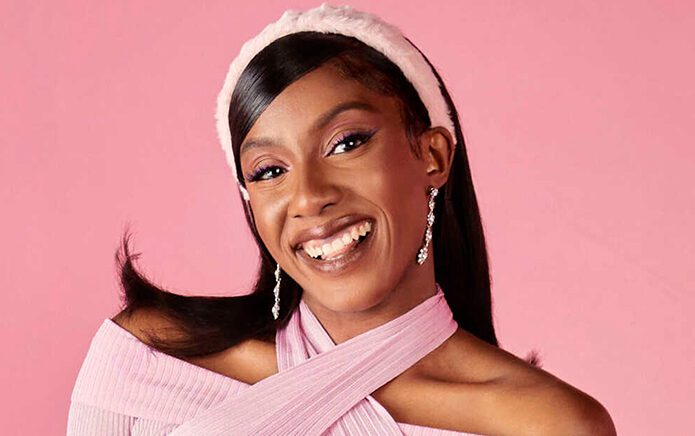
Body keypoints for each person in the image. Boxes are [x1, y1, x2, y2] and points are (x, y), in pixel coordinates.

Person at [66, 4, 616, 435]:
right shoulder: (148, 358)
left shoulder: (548, 425)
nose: (309, 197)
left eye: (346, 143)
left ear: (432, 156)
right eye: (269, 171)